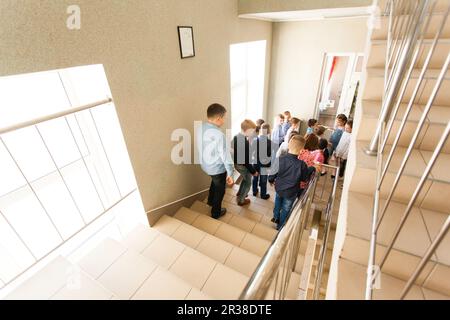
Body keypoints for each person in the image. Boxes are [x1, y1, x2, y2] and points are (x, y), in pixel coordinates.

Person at [197, 103, 234, 219]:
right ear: (218, 118)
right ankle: (215, 212)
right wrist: (230, 173)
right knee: (220, 190)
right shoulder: (219, 135)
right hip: (217, 168)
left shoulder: (200, 127)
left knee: (214, 182)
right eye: (224, 118)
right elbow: (225, 156)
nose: (224, 121)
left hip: (206, 166)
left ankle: (210, 201)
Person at [269, 136, 310, 230]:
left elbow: (273, 172)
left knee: (277, 201)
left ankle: (275, 217)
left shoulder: (280, 159)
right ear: (302, 149)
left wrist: (271, 180)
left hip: (279, 188)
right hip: (291, 191)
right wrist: (311, 169)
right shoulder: (302, 165)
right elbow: (304, 179)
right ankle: (280, 226)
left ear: (289, 145)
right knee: (286, 208)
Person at [233, 120, 258, 206]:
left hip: (237, 163)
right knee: (248, 183)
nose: (253, 133)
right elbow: (246, 162)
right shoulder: (244, 143)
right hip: (243, 165)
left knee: (245, 179)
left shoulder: (236, 136)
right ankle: (241, 200)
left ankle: (240, 193)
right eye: (252, 131)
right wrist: (253, 171)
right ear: (247, 130)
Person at [252, 124, 274, 200]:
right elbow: (269, 155)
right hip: (264, 163)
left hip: (255, 162)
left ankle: (254, 191)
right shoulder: (270, 142)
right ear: (268, 132)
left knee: (255, 177)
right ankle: (263, 195)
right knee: (263, 179)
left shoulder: (255, 140)